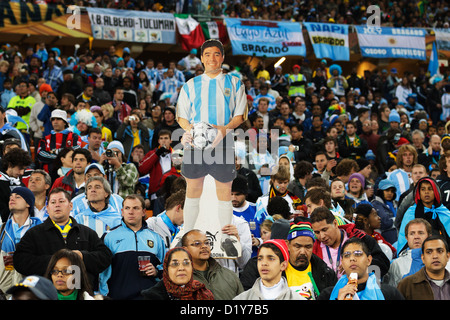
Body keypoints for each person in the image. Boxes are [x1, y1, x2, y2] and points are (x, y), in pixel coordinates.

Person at [176, 39, 247, 256]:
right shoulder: (190, 84)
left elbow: (240, 115)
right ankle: (187, 235)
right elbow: (182, 115)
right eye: (207, 54)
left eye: (216, 54)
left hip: (223, 142)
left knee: (224, 191)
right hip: (196, 144)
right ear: (202, 58)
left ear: (222, 58)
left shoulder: (235, 83)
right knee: (193, 190)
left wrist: (223, 130)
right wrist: (190, 131)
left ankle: (225, 238)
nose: (212, 58)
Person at [13, 187, 112, 290]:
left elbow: (105, 257)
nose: (57, 205)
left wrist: (82, 256)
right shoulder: (34, 233)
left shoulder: (87, 232)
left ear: (71, 205)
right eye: (53, 202)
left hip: (80, 292)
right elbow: (20, 260)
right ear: (47, 208)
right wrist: (54, 261)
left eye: (61, 201)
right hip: (46, 292)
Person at [99, 194, 166, 300]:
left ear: (144, 212)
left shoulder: (156, 238)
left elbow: (165, 266)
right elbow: (102, 271)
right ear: (122, 211)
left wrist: (157, 272)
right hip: (118, 297)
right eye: (127, 208)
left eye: (135, 208)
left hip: (149, 297)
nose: (131, 212)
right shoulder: (109, 237)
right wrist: (103, 295)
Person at [310, 207, 390, 278]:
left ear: (335, 223)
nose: (322, 236)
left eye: (325, 230)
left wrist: (357, 267)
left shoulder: (361, 238)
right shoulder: (314, 249)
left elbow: (383, 265)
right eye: (317, 232)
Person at [318, 237, 404, 300]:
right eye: (347, 255)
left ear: (369, 260)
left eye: (358, 254)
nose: (352, 258)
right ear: (342, 263)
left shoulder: (389, 294)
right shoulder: (327, 295)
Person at [0, 187, 42, 293]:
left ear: (28, 204)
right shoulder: (1, 229)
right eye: (10, 197)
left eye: (17, 197)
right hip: (4, 287)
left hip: (32, 287)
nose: (12, 199)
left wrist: (21, 259)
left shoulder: (40, 230)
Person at [181, 229, 244, 300]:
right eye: (197, 243)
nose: (204, 246)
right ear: (185, 249)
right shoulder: (181, 278)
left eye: (207, 243)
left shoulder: (229, 275)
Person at [234, 239, 303, 300]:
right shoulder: (242, 298)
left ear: (283, 265)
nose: (264, 263)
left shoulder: (297, 298)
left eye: (271, 258)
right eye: (260, 259)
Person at [285, 221, 337, 300]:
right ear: (288, 245)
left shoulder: (326, 273)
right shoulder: (276, 271)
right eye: (297, 246)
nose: (302, 252)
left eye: (308, 247)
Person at [397, 177, 450, 254]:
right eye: (423, 189)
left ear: (435, 191)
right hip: (416, 255)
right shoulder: (411, 212)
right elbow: (404, 240)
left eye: (430, 189)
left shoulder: (444, 212)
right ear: (418, 192)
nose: (426, 192)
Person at [141, 247, 214, 300]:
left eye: (186, 263)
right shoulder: (152, 296)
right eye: (175, 264)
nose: (181, 268)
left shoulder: (202, 291)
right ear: (166, 269)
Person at [397, 235, 450, 300]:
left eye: (440, 251)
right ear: (423, 258)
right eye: (429, 252)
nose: (435, 256)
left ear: (448, 256)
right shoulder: (406, 285)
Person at [385, 218, 432, 287]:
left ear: (429, 236)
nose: (416, 237)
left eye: (421, 233)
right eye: (412, 234)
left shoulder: (444, 261)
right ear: (406, 238)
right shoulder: (396, 264)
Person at [36, 109, 81, 173]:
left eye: (58, 119)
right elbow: (41, 155)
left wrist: (54, 151)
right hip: (48, 174)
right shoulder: (45, 139)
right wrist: (64, 157)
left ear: (65, 122)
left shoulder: (74, 136)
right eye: (53, 119)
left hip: (69, 174)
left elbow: (76, 151)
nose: (55, 122)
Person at [139, 129, 173, 203]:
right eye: (161, 138)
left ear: (171, 141)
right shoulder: (152, 154)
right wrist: (156, 154)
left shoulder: (176, 154)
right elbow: (142, 169)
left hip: (173, 194)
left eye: (166, 138)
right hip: (156, 195)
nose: (163, 141)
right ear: (158, 141)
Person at [0, 148, 32, 222]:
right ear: (10, 165)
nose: (22, 173)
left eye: (24, 169)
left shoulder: (21, 185)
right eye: (20, 168)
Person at [370, 178, 398, 244]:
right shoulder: (376, 204)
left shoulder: (396, 204)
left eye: (392, 191)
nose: (390, 193)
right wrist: (397, 220)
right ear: (380, 191)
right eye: (387, 190)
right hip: (384, 241)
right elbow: (385, 223)